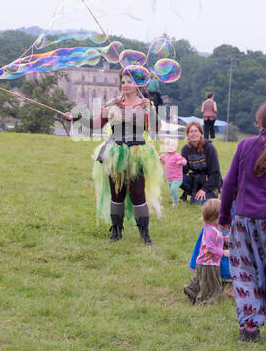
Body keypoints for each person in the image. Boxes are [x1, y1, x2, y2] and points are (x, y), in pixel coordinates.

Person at [64, 69, 164, 246]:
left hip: (138, 153)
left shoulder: (145, 105)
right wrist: (77, 118)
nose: (125, 85)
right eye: (123, 81)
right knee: (116, 192)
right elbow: (95, 125)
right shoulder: (113, 105)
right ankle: (116, 232)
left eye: (129, 82)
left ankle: (145, 235)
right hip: (115, 153)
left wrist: (150, 109)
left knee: (137, 193)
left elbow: (156, 128)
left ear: (138, 85)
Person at [219, 100, 266, 343]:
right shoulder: (246, 146)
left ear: (260, 121)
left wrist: (224, 216)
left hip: (243, 222)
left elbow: (229, 183)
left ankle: (249, 328)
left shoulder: (246, 146)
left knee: (245, 273)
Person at [183, 199, 229, 305]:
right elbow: (209, 247)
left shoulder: (214, 228)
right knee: (211, 285)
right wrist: (223, 252)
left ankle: (191, 290)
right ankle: (203, 302)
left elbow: (216, 239)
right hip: (208, 263)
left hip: (208, 262)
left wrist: (224, 238)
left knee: (203, 280)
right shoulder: (210, 230)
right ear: (215, 217)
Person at [180, 121, 222, 204]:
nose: (194, 133)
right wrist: (171, 162)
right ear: (187, 135)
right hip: (196, 181)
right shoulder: (186, 149)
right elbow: (183, 171)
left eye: (196, 131)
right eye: (191, 131)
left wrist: (204, 189)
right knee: (176, 177)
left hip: (210, 183)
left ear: (201, 133)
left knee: (197, 203)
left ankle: (213, 193)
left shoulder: (209, 148)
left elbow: (216, 173)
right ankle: (195, 193)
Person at [160, 139, 187, 207]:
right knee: (171, 191)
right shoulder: (165, 155)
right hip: (169, 177)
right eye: (168, 146)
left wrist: (180, 162)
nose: (169, 147)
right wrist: (160, 159)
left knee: (173, 189)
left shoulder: (177, 156)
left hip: (177, 177)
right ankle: (174, 200)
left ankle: (176, 202)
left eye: (171, 146)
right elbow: (164, 161)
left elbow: (184, 161)